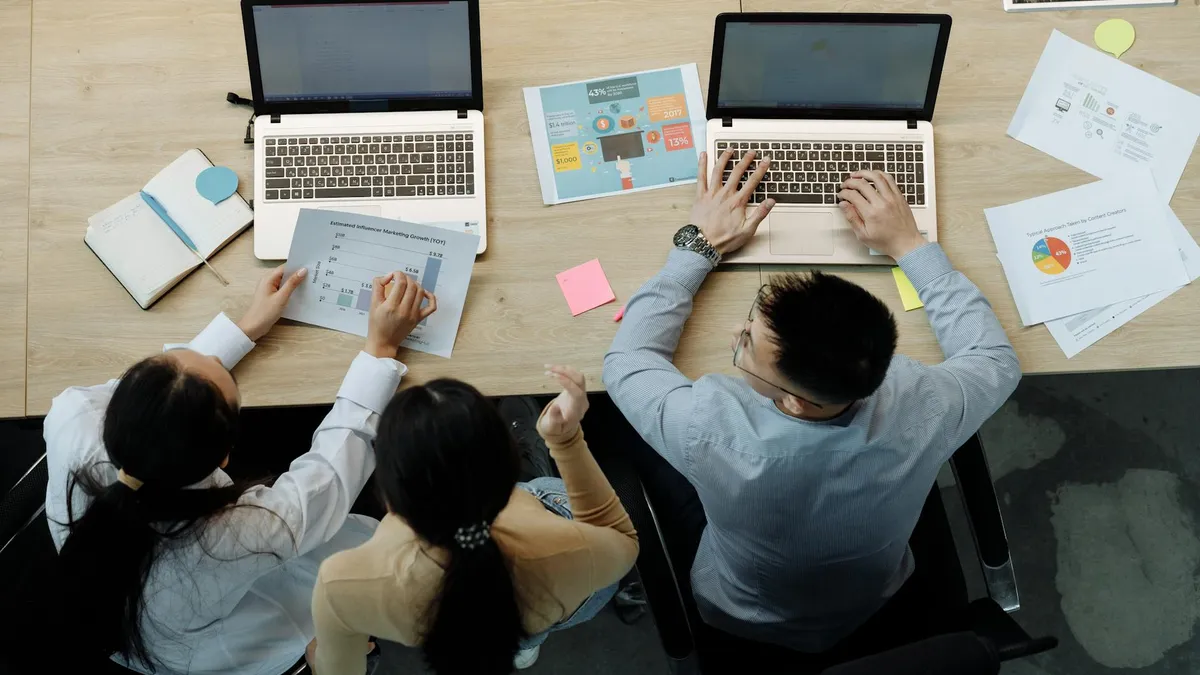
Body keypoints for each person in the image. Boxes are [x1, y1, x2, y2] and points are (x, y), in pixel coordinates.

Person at [603, 149, 1021, 654]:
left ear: (798, 404)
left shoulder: (708, 428)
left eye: (746, 345)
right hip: (879, 600)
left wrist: (697, 247)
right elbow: (995, 360)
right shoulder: (923, 406)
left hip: (740, 615)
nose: (737, 333)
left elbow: (628, 362)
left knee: (609, 427)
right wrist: (911, 245)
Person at [45, 265, 436, 675]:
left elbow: (167, 391)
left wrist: (246, 327)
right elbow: (329, 478)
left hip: (100, 597)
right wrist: (381, 350)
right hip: (190, 640)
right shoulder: (236, 537)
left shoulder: (74, 414)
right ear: (225, 457)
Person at [308, 366, 639, 675]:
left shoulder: (341, 587)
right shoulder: (573, 550)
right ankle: (524, 643)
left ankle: (520, 645)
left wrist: (324, 654)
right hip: (559, 593)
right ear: (508, 469)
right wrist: (566, 440)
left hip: (444, 620)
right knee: (530, 622)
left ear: (388, 497)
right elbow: (621, 540)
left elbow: (342, 671)